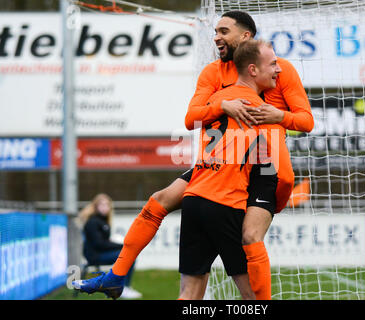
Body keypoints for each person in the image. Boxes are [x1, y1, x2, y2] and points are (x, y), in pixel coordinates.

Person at [73, 10, 313, 300]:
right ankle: (116, 274)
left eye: (224, 31)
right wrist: (223, 107)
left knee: (250, 237)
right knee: (160, 200)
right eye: (216, 31)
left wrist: (279, 116)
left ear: (246, 36)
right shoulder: (213, 72)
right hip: (223, 165)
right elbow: (192, 118)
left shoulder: (276, 68)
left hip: (262, 170)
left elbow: (305, 121)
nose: (217, 37)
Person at [178, 39, 282, 300]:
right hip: (225, 204)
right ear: (253, 70)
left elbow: (192, 119)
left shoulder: (217, 99)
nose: (279, 70)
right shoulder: (258, 109)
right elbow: (273, 164)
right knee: (253, 297)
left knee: (189, 295)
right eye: (273, 64)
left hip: (194, 201)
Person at [73, 193, 142, 299]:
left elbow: (104, 241)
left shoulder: (103, 221)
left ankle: (125, 286)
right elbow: (99, 244)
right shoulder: (93, 221)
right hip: (94, 256)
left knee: (129, 255)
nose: (105, 207)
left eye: (107, 205)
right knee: (127, 256)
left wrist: (117, 244)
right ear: (96, 206)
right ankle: (123, 287)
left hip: (100, 253)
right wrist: (121, 245)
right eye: (102, 205)